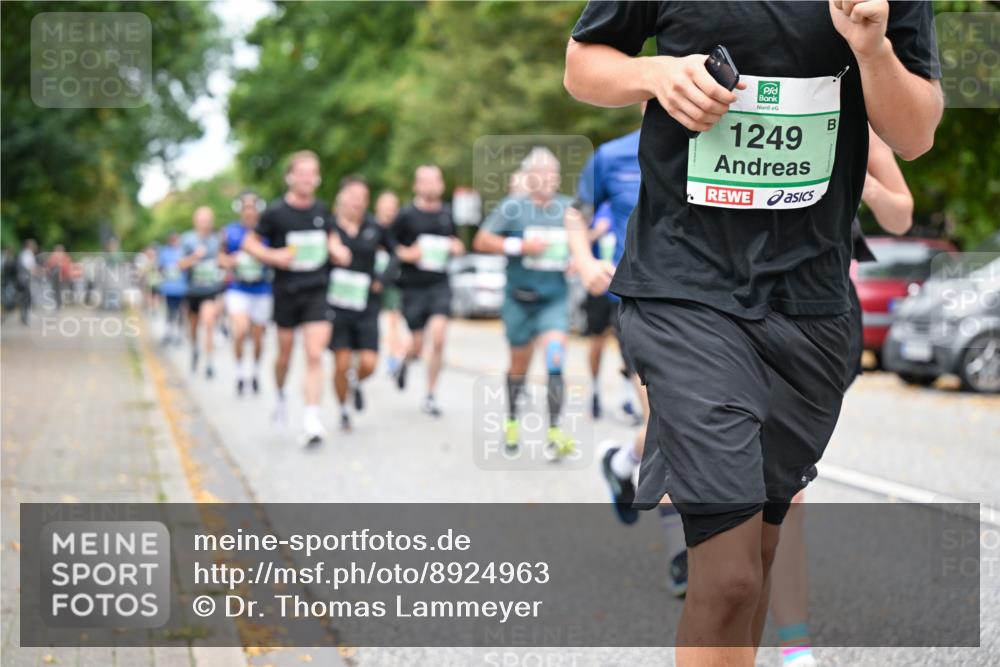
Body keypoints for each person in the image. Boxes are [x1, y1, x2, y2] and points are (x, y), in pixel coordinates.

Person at [564, 1, 942, 663]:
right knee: (730, 569)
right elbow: (582, 65)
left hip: (811, 303)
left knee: (760, 555)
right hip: (687, 287)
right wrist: (656, 74)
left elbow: (914, 136)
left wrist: (872, 48)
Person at [768, 126, 914, 667]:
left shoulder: (857, 115)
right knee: (736, 481)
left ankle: (793, 640)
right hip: (726, 300)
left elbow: (900, 213)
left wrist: (857, 170)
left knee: (784, 490)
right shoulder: (738, 87)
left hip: (819, 316)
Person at [473, 147, 577, 460]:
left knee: (555, 359)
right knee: (519, 365)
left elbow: (581, 242)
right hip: (519, 300)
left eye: (553, 174)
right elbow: (481, 240)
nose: (548, 179)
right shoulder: (512, 207)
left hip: (553, 299)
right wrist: (520, 245)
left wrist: (577, 260)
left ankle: (555, 432)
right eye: (542, 173)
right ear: (530, 176)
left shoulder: (567, 209)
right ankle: (512, 420)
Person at [242, 150, 351, 446]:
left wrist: (337, 249)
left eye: (312, 173)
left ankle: (312, 419)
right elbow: (249, 242)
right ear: (290, 177)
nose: (307, 178)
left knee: (315, 354)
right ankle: (280, 395)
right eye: (301, 173)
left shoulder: (321, 210)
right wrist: (271, 255)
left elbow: (331, 237)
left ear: (317, 178)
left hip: (317, 290)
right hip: (287, 292)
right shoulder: (276, 213)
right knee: (285, 356)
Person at [391, 164, 466, 417]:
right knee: (417, 344)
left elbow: (456, 243)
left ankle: (431, 395)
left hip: (439, 284)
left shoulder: (447, 213)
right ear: (416, 185)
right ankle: (404, 362)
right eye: (425, 181)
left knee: (439, 337)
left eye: (435, 180)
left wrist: (457, 248)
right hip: (413, 286)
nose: (431, 186)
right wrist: (407, 254)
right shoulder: (405, 216)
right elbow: (390, 246)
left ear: (441, 184)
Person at [327, 176, 395, 431]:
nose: (356, 201)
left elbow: (394, 255)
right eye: (352, 195)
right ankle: (343, 408)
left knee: (369, 363)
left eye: (362, 197)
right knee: (341, 362)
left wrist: (382, 279)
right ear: (341, 197)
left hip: (366, 303)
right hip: (337, 305)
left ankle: (355, 381)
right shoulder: (329, 226)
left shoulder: (375, 227)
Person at [219, 192, 272, 396]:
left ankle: (255, 372)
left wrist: (263, 258)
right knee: (240, 331)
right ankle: (240, 373)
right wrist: (234, 261)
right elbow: (221, 259)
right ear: (241, 210)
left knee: (258, 337)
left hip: (262, 289)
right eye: (246, 207)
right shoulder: (230, 232)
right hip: (239, 288)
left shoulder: (267, 231)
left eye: (253, 207)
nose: (249, 211)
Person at [177, 207, 224, 378]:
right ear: (195, 221)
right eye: (202, 220)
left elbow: (222, 260)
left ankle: (209, 362)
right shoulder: (187, 239)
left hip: (210, 290)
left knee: (209, 323)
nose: (205, 223)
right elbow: (180, 264)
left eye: (208, 220)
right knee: (194, 327)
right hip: (192, 290)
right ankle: (195, 349)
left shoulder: (217, 239)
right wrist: (195, 257)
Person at [374, 190, 408, 376]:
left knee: (394, 320)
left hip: (392, 282)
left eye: (392, 208)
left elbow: (400, 255)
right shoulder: (369, 228)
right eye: (385, 207)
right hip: (370, 281)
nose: (389, 211)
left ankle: (394, 360)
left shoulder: (399, 232)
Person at [157, 231, 187, 346]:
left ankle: (179, 334)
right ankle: (169, 333)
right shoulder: (165, 252)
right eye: (172, 239)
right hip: (169, 288)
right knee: (170, 311)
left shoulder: (183, 252)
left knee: (181, 312)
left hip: (182, 288)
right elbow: (160, 268)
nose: (174, 242)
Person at [15, 239, 38, 324]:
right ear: (30, 246)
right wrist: (40, 272)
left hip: (22, 279)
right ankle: (25, 318)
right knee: (27, 299)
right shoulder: (28, 254)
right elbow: (30, 267)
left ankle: (24, 317)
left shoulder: (23, 253)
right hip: (25, 280)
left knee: (24, 299)